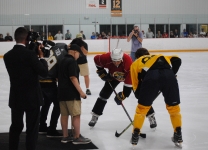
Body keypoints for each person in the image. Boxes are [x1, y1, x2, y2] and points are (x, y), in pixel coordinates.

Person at [3, 27, 48, 150]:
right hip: (32, 97)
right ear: (27, 38)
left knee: (16, 127)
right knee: (32, 129)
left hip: (16, 97)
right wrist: (42, 57)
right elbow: (43, 72)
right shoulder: (30, 55)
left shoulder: (7, 56)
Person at [130, 48, 183, 147]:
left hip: (151, 78)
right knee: (174, 108)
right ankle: (178, 134)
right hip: (169, 76)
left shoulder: (136, 63)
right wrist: (172, 73)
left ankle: (135, 135)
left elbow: (136, 85)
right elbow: (177, 59)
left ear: (136, 57)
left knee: (142, 109)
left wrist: (142, 97)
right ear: (148, 54)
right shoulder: (159, 55)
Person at [58, 44, 91, 144]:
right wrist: (81, 92)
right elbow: (73, 77)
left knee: (64, 115)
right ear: (74, 52)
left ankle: (65, 136)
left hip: (61, 93)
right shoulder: (72, 61)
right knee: (76, 115)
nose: (78, 56)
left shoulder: (61, 60)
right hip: (71, 93)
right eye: (78, 54)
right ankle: (77, 137)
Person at [39, 42, 68, 137]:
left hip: (39, 81)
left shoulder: (53, 49)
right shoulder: (63, 52)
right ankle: (52, 129)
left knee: (46, 103)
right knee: (58, 105)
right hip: (49, 82)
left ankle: (42, 126)